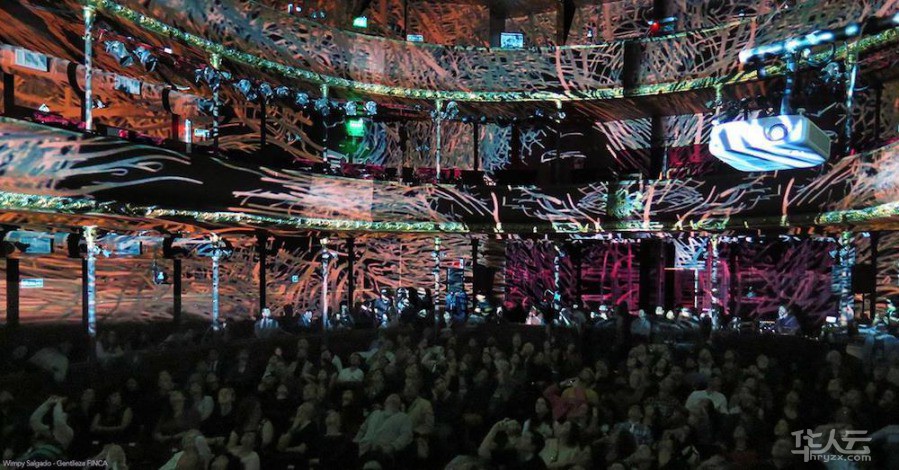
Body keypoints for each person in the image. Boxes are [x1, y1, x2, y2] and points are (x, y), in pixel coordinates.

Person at [354, 394, 413, 461]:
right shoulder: (375, 413)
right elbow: (362, 429)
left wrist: (392, 447)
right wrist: (356, 441)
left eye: (397, 397)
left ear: (400, 405)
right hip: (363, 449)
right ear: (385, 402)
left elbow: (406, 435)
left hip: (382, 453)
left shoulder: (404, 418)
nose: (394, 396)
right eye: (390, 396)